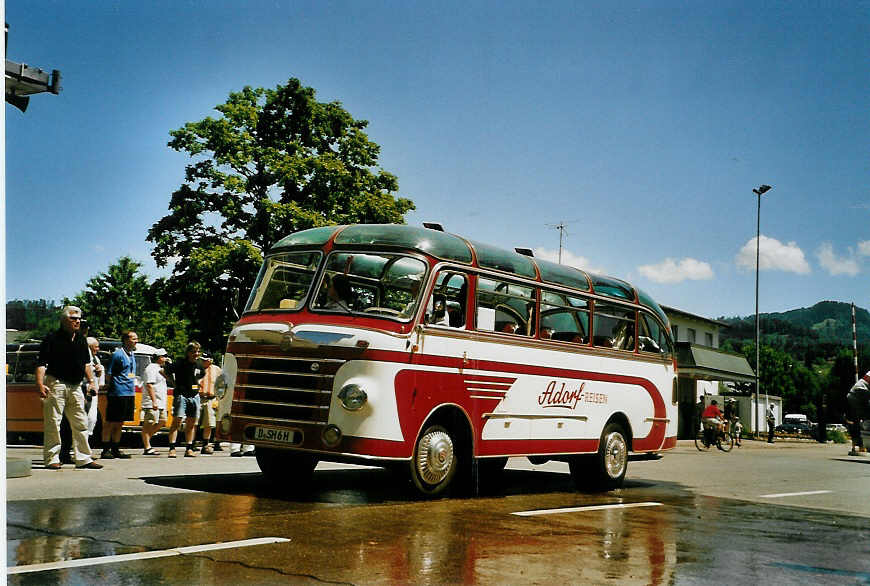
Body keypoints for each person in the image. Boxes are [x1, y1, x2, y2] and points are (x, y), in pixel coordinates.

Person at [35, 306, 102, 469]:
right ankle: (52, 459)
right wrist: (40, 383)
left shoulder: (80, 339)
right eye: (73, 318)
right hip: (56, 383)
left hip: (76, 385)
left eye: (79, 319)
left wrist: (91, 381)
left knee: (81, 422)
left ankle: (84, 458)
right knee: (53, 422)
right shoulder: (51, 338)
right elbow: (41, 363)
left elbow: (87, 363)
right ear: (64, 320)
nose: (77, 321)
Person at [101, 330, 138, 459]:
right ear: (126, 340)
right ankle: (105, 449)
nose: (136, 341)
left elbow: (130, 372)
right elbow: (109, 373)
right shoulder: (117, 354)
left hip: (129, 391)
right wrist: (109, 387)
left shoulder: (132, 354)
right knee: (111, 421)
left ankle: (116, 448)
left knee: (120, 422)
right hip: (117, 392)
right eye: (134, 339)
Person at [166, 341, 204, 458]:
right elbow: (164, 371)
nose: (196, 354)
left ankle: (189, 448)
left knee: (191, 423)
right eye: (193, 352)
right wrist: (174, 383)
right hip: (181, 395)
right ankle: (172, 448)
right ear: (188, 352)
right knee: (177, 421)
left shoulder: (199, 365)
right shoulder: (180, 363)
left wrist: (198, 385)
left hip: (194, 396)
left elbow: (201, 375)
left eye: (198, 352)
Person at [141, 349, 170, 455]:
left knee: (162, 421)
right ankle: (147, 446)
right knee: (149, 422)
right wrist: (154, 401)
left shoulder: (160, 369)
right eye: (164, 356)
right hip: (152, 401)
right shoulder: (151, 368)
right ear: (158, 357)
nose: (166, 358)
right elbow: (149, 384)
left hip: (161, 401)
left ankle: (146, 439)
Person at [197, 354, 222, 454]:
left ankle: (206, 445)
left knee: (209, 423)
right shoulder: (197, 368)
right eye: (202, 360)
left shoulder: (217, 370)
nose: (203, 362)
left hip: (210, 399)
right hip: (198, 397)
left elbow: (221, 383)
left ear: (210, 360)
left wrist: (218, 397)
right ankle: (192, 444)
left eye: (205, 360)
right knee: (194, 422)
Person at [846, 371, 870, 455]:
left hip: (854, 394)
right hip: (858, 393)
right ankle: (862, 443)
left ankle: (861, 444)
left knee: (859, 420)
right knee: (865, 418)